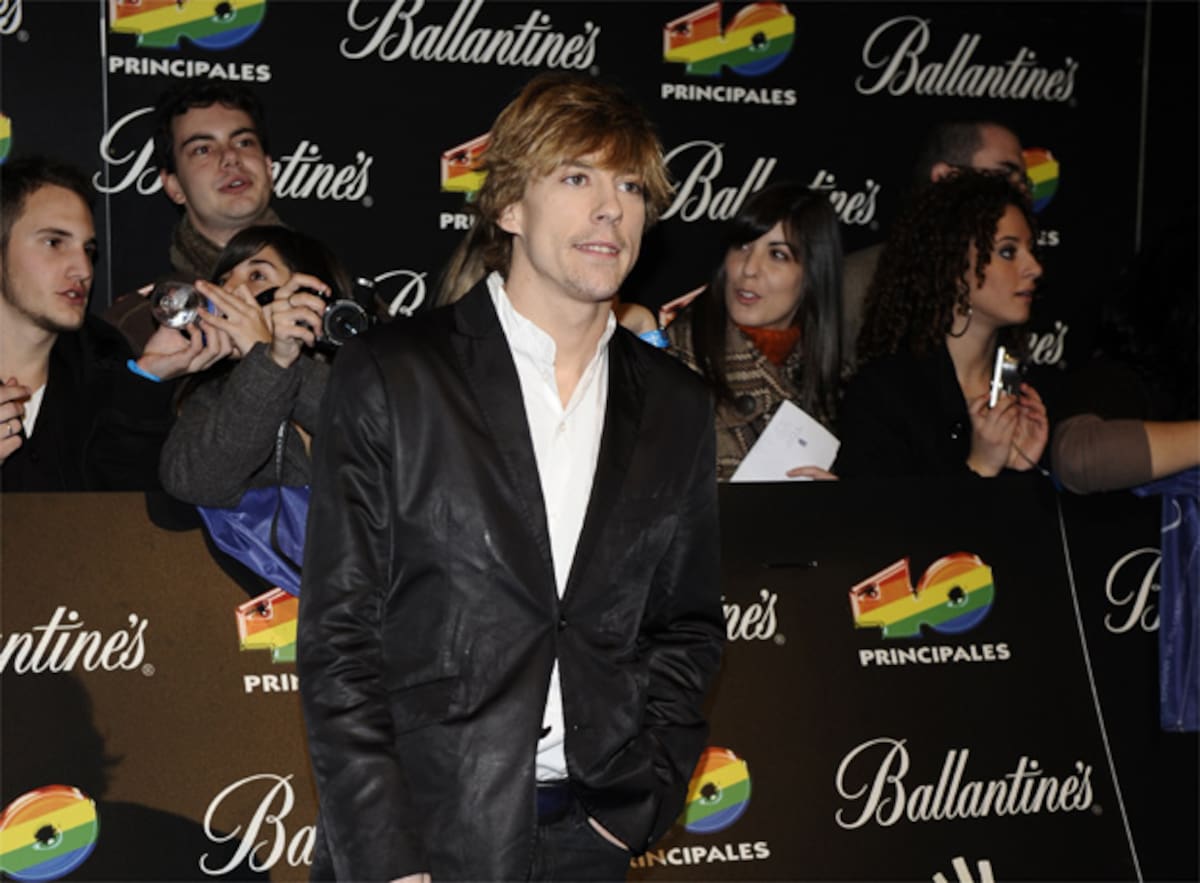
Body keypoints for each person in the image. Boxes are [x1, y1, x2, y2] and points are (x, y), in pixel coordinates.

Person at [297, 72, 723, 882]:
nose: (611, 207)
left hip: (590, 838)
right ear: (508, 207)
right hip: (424, 840)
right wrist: (387, 856)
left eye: (630, 186)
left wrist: (633, 809)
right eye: (577, 178)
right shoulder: (395, 373)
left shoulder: (677, 404)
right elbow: (338, 637)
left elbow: (687, 627)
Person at [0, 156, 230, 491]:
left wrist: (147, 380)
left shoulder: (107, 359)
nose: (83, 269)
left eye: (88, 249)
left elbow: (125, 509)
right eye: (54, 243)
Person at [835, 169, 1049, 479]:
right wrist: (981, 467)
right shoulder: (885, 394)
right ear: (955, 266)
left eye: (1031, 250)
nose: (1034, 268)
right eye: (1007, 251)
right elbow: (881, 509)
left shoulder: (1023, 391)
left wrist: (1021, 469)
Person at [159, 226, 348, 507]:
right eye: (223, 281)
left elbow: (380, 430)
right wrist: (268, 363)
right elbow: (193, 482)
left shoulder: (369, 373)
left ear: (311, 295)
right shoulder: (212, 395)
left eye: (257, 276)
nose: (231, 291)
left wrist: (273, 356)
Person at [665, 181, 842, 480]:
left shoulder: (836, 386)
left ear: (813, 274)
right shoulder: (672, 366)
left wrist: (830, 501)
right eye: (743, 246)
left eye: (778, 255)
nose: (748, 268)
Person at [104, 80, 281, 353]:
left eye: (244, 142)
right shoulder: (137, 323)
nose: (231, 157)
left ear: (268, 168)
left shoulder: (328, 294)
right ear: (174, 186)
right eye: (203, 149)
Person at [842, 120, 1027, 364]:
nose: (1019, 190)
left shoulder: (1016, 294)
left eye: (1023, 180)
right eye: (1002, 175)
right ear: (946, 177)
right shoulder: (857, 283)